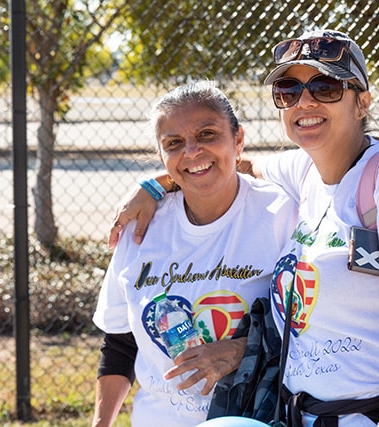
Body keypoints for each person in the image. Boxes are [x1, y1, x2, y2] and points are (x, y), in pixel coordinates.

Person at [110, 29, 379, 427]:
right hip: (320, 415)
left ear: (362, 102)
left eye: (324, 87)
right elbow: (222, 163)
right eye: (287, 91)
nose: (303, 101)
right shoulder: (305, 170)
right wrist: (155, 185)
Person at [91, 81, 297, 427]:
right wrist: (101, 423)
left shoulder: (282, 213)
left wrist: (240, 349)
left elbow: (312, 325)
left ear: (239, 139)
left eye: (207, 134)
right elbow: (120, 344)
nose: (192, 151)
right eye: (173, 143)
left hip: (253, 418)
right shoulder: (142, 226)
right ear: (161, 156)